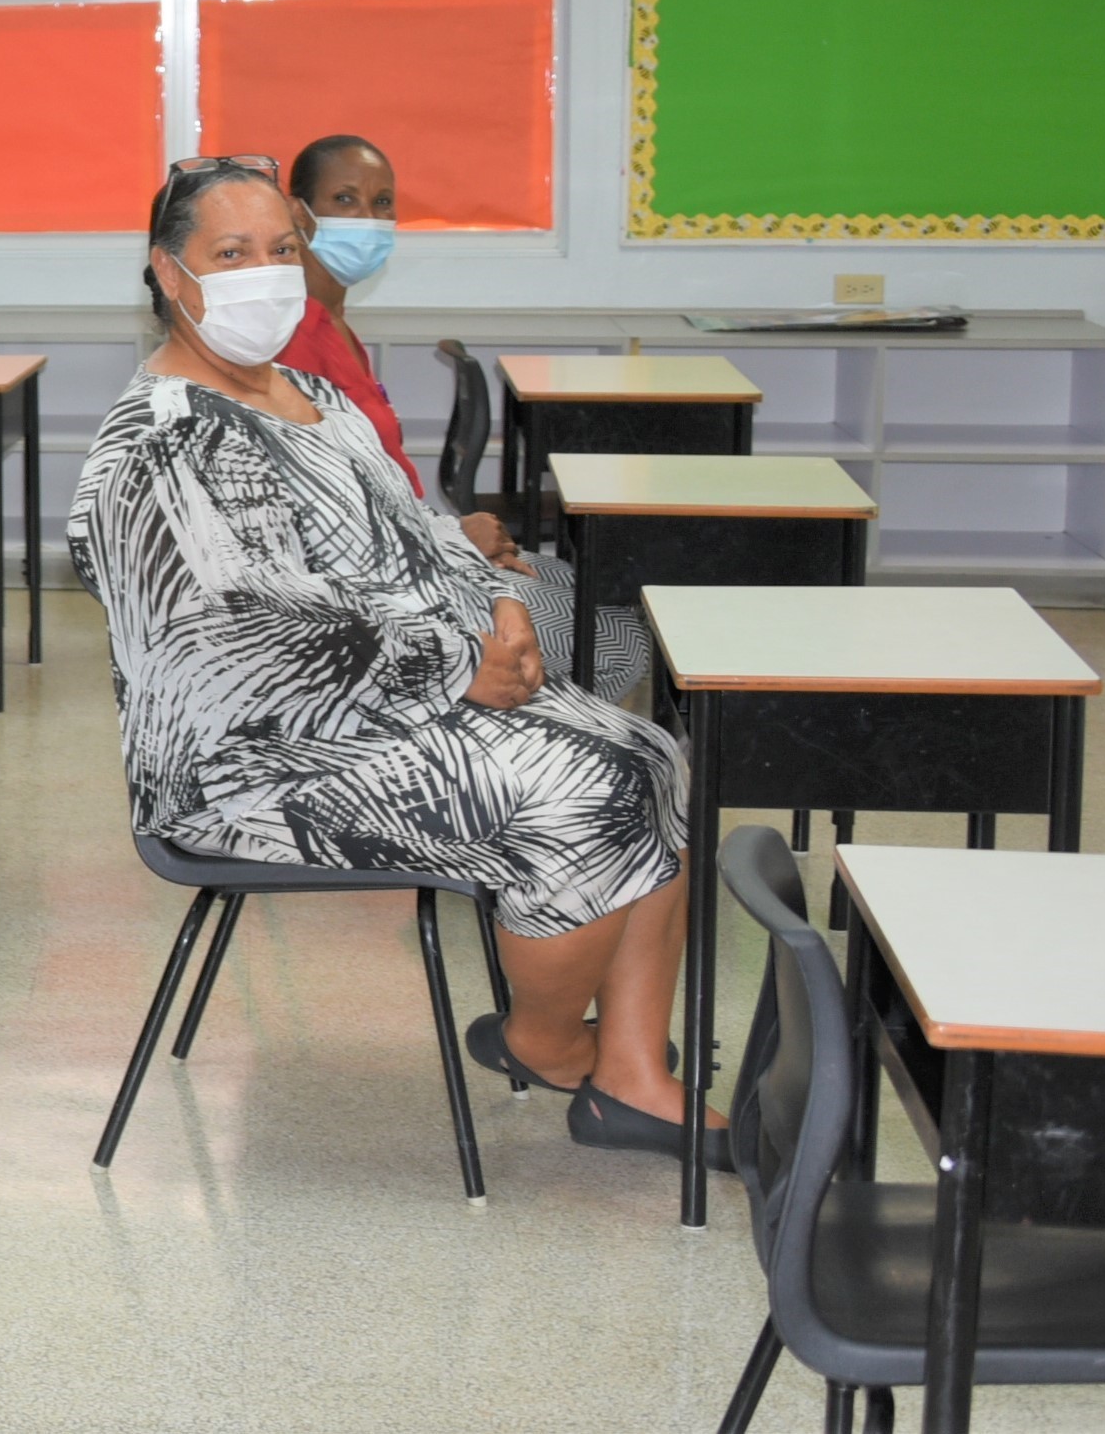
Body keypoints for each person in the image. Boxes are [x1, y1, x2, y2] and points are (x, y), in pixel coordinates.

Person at [66, 158, 713, 1158]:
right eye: (230, 253)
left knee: (650, 749)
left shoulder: (312, 392)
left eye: (281, 249)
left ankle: (629, 1070)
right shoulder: (159, 444)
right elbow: (247, 637)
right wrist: (451, 673)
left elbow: (418, 532)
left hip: (389, 706)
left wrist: (500, 608)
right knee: (586, 785)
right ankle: (545, 1040)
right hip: (251, 764)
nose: (265, 273)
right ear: (168, 270)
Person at [278, 135, 638, 698]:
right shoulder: (293, 337)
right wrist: (450, 537)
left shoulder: (336, 325)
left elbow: (378, 480)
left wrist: (445, 534)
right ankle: (510, 746)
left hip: (420, 546)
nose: (368, 219)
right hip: (392, 585)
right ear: (299, 214)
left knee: (611, 591)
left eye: (382, 202)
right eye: (345, 200)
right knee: (621, 632)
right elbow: (329, 517)